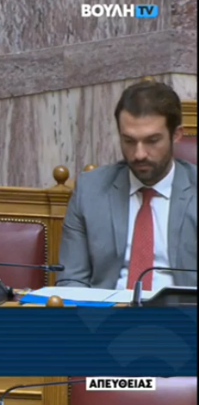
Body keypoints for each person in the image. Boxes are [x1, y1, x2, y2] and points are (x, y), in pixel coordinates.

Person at [58, 80, 197, 291]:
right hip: (105, 309)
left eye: (152, 141)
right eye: (129, 141)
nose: (139, 154)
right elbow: (71, 280)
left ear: (176, 135)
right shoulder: (89, 190)